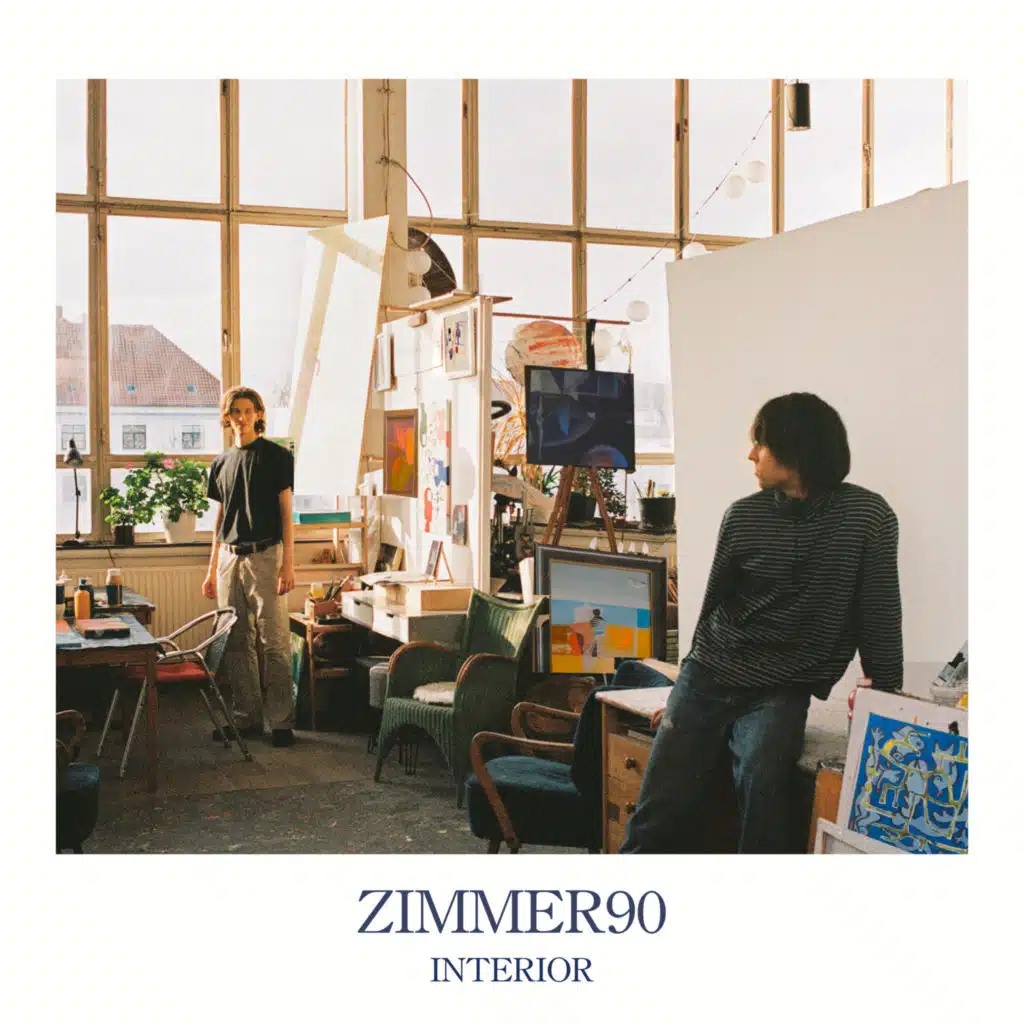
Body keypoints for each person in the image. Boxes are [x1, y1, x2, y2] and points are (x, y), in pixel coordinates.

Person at [621, 393, 903, 853]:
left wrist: (889, 708)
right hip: (709, 675)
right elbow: (713, 610)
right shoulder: (744, 516)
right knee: (658, 809)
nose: (751, 455)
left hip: (781, 689)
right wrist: (681, 698)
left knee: (763, 793)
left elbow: (879, 614)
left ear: (795, 449)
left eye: (761, 443)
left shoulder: (868, 519)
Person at [202, 386, 297, 748]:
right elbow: (220, 518)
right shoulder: (221, 463)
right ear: (226, 418)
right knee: (236, 641)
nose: (241, 418)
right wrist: (212, 568)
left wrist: (289, 564)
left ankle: (281, 721)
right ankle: (246, 718)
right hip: (229, 558)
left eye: (247, 411)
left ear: (258, 414)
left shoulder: (277, 457)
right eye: (234, 412)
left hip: (266, 556)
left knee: (274, 640)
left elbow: (286, 513)